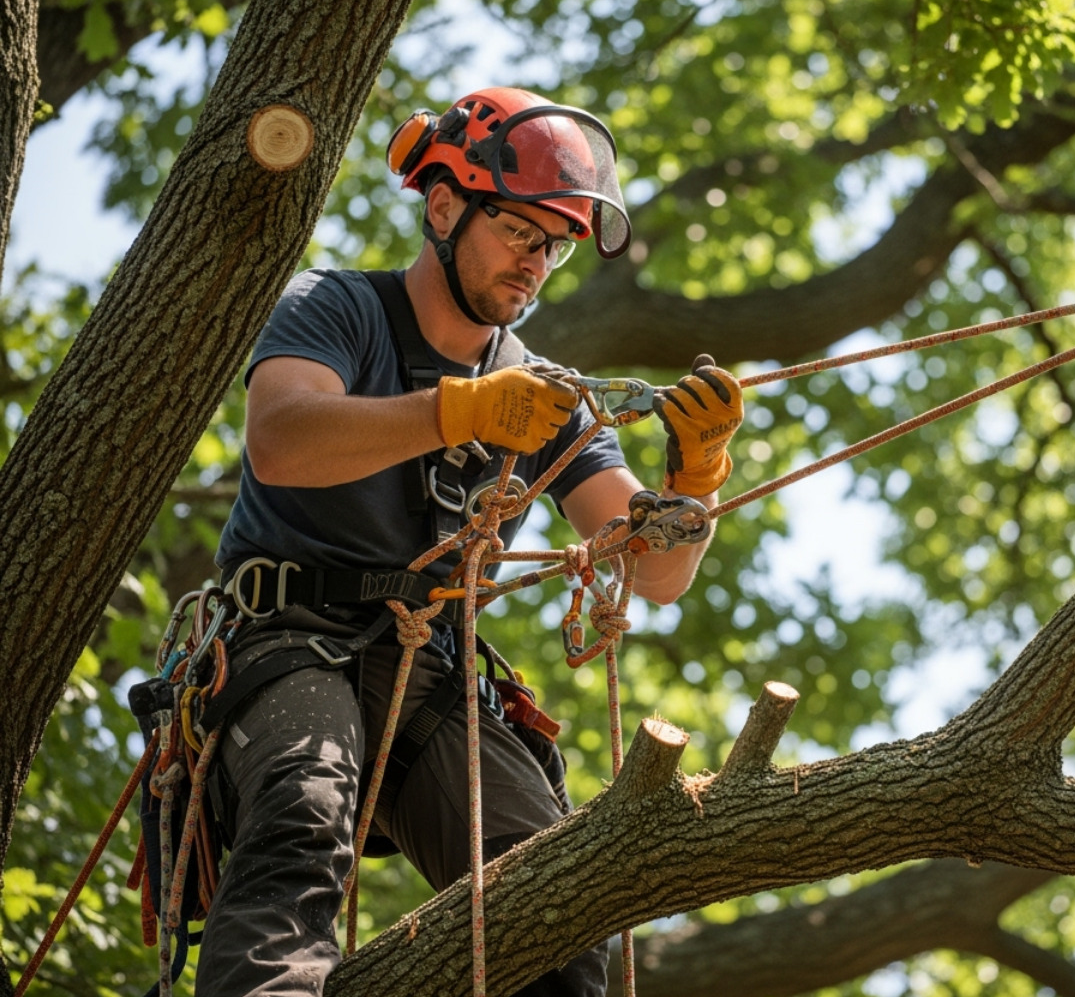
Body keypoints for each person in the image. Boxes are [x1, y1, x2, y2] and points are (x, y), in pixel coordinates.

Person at [198, 86, 742, 997]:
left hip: (429, 679)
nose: (537, 265)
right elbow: (282, 438)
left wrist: (694, 482)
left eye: (555, 247)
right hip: (289, 636)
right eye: (520, 233)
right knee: (302, 814)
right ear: (445, 207)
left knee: (561, 911)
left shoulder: (546, 396)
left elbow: (654, 575)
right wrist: (458, 411)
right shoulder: (337, 308)